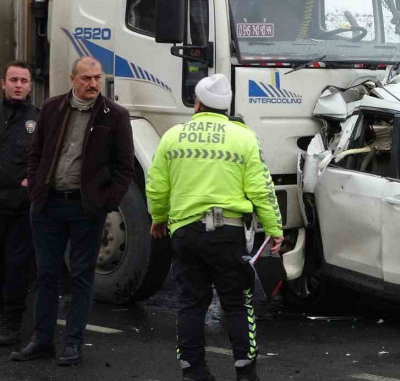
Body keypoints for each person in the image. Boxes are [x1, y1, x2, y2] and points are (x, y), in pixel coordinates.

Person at [145, 74, 283, 381]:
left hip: (184, 233)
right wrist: (275, 230)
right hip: (227, 233)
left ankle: (193, 370)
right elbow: (262, 189)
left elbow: (156, 186)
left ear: (197, 103)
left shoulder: (173, 136)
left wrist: (158, 218)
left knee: (190, 302)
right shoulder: (243, 137)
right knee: (236, 302)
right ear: (226, 106)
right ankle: (245, 370)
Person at [12, 56, 133, 366]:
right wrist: (37, 188)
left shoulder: (115, 115)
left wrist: (106, 202)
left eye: (97, 77)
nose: (93, 83)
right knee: (46, 276)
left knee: (81, 277)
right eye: (86, 78)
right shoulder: (52, 108)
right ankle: (42, 340)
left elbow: (124, 168)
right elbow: (35, 152)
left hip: (85, 208)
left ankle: (73, 343)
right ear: (72, 79)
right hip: (48, 204)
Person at [0, 61, 38, 346]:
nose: (18, 85)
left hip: (20, 209)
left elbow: (47, 158)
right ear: (3, 84)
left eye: (23, 81)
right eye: (13, 80)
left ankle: (11, 325)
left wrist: (33, 181)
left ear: (30, 86)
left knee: (17, 268)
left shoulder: (37, 120)